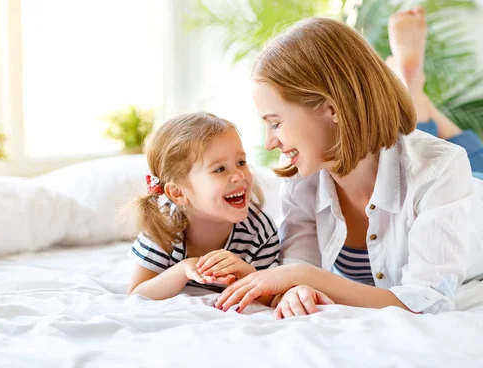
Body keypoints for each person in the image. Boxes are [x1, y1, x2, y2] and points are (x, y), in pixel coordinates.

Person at [213, 8, 483, 318]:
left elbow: (427, 301)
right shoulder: (302, 180)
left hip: (474, 187)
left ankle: (412, 86)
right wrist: (296, 288)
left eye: (275, 123)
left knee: (437, 148)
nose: (269, 143)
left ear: (332, 108)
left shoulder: (441, 171)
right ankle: (412, 90)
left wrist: (305, 278)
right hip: (404, 158)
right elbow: (296, 268)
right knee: (411, 137)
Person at [127, 112, 281, 300]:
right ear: (178, 193)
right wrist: (183, 270)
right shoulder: (163, 225)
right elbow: (137, 293)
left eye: (241, 162)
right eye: (219, 169)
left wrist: (247, 273)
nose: (239, 176)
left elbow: (272, 298)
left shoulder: (259, 230)